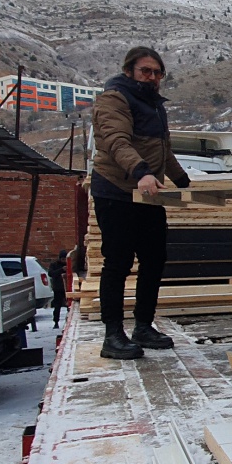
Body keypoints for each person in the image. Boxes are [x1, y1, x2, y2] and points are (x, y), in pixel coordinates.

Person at [90, 46, 191, 359]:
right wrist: (142, 172)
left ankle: (143, 327)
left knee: (154, 259)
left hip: (148, 194)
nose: (152, 77)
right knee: (118, 262)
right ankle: (112, 336)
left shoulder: (155, 105)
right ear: (129, 71)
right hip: (116, 189)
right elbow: (116, 141)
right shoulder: (114, 99)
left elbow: (164, 149)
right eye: (146, 71)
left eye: (158, 72)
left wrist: (183, 181)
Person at [47, 249, 68, 329]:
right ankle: (56, 322)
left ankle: (68, 320)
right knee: (57, 306)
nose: (64, 260)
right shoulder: (54, 265)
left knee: (69, 306)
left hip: (67, 289)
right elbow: (51, 273)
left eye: (65, 259)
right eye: (62, 259)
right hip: (58, 289)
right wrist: (61, 270)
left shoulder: (69, 264)